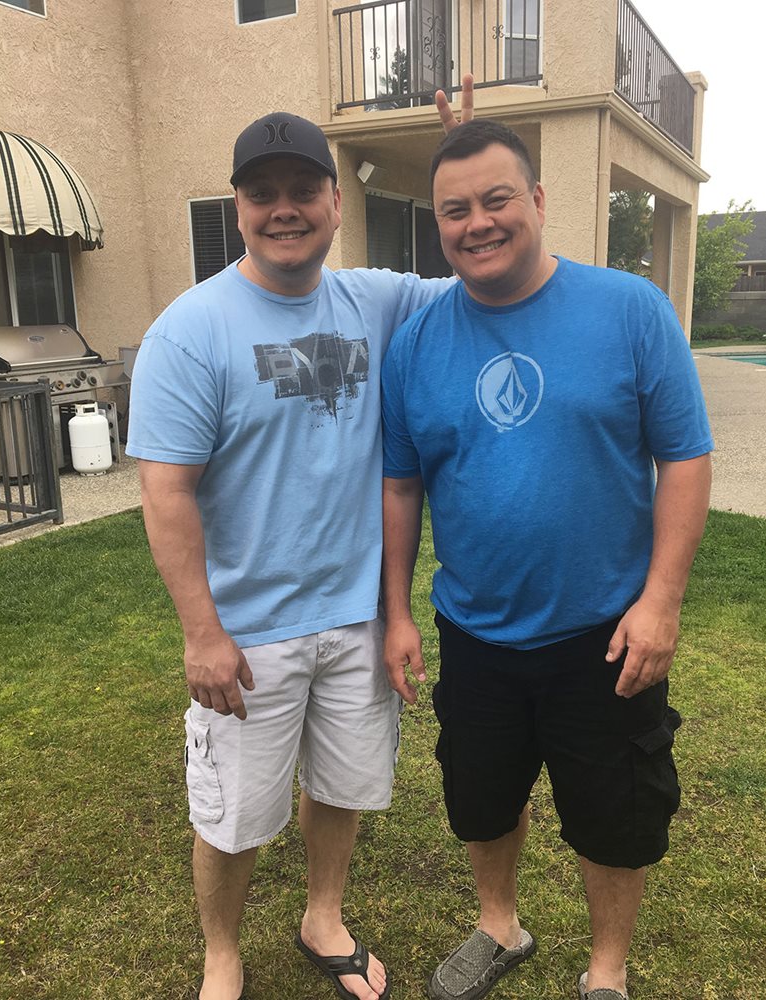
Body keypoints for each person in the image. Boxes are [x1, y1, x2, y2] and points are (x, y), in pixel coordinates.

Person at [125, 111, 457, 1000]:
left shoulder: (375, 300)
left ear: (335, 202)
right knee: (233, 818)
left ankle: (323, 916)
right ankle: (222, 954)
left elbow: (477, 267)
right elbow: (166, 494)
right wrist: (202, 633)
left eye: (303, 190)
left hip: (355, 616)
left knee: (341, 788)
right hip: (247, 632)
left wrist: (456, 159)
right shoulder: (189, 331)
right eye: (262, 193)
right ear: (238, 208)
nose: (285, 209)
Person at [381, 119, 713, 1000]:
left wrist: (661, 602)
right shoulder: (415, 343)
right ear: (437, 223)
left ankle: (606, 970)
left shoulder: (629, 309)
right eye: (454, 210)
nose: (477, 223)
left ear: (535, 199)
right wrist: (397, 613)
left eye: (496, 200)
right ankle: (499, 926)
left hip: (604, 633)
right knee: (480, 799)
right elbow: (401, 485)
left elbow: (684, 457)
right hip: (475, 631)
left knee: (615, 812)